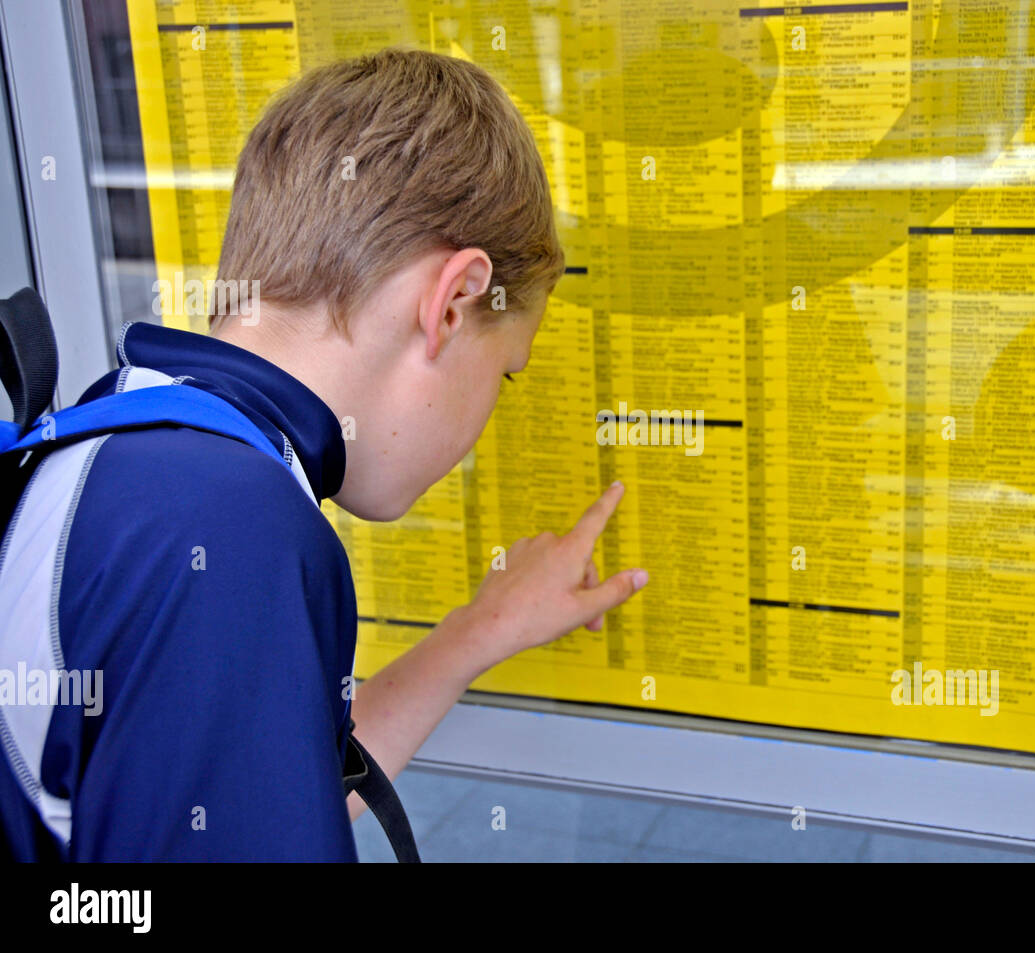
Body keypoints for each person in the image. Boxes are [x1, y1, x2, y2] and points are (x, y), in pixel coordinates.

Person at [0, 47, 648, 861]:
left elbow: (245, 794)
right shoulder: (234, 528)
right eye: (506, 374)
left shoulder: (134, 439)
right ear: (451, 302)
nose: (486, 420)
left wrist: (484, 627)